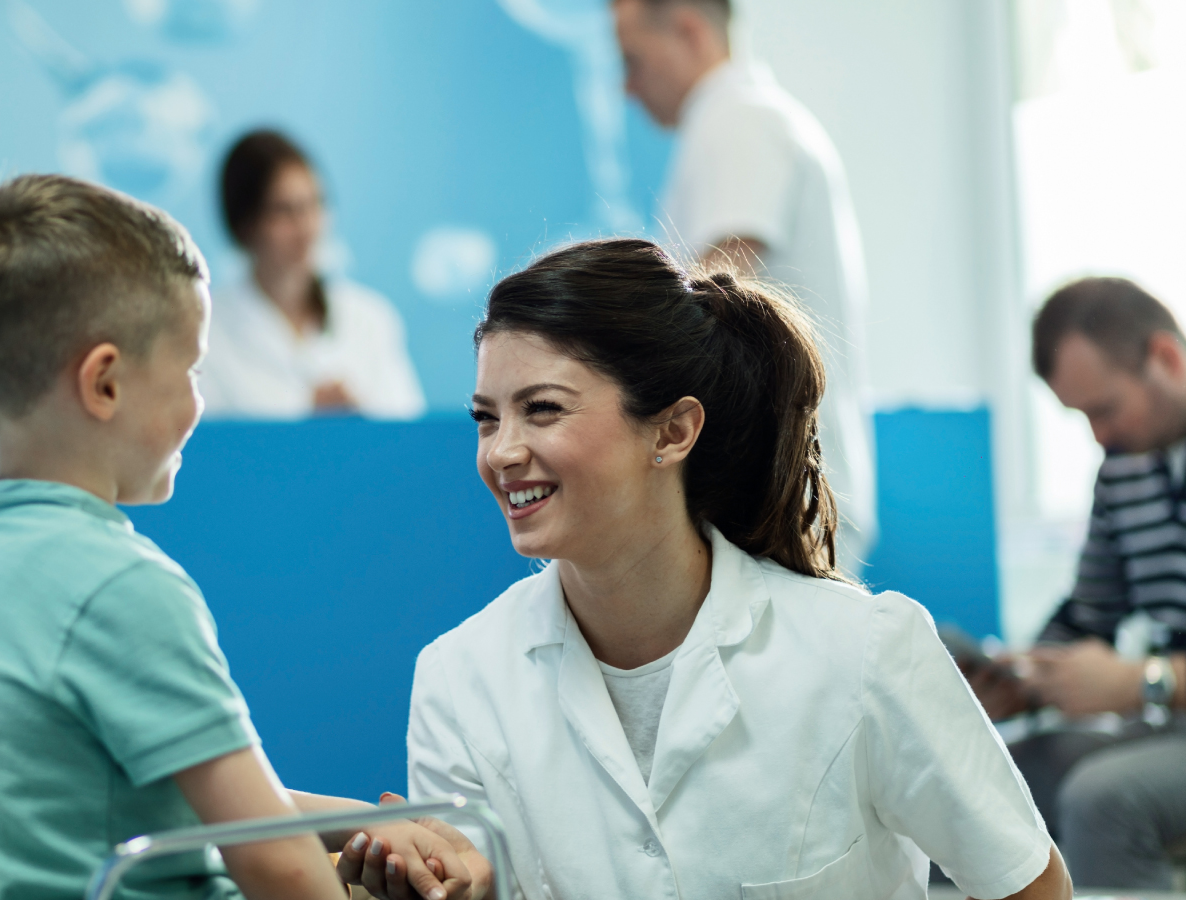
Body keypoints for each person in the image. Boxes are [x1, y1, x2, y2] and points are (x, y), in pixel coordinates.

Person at [406, 239, 1069, 899]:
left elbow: (1030, 887)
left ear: (672, 431)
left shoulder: (865, 651)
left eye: (542, 409)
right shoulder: (460, 682)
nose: (501, 452)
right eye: (486, 419)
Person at [0, 174, 486, 900]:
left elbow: (189, 800)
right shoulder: (120, 585)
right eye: (190, 369)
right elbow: (274, 868)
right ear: (106, 384)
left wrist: (359, 825)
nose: (198, 402)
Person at [613, 0, 877, 568]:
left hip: (771, 487)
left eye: (631, 59)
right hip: (775, 481)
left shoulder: (737, 119)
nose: (627, 88)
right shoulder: (745, 118)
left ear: (687, 27)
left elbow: (714, 295)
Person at [973, 277, 1186, 889]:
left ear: (1165, 358)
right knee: (990, 776)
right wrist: (1027, 676)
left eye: (1105, 409)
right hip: (1168, 720)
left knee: (1105, 800)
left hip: (1164, 705)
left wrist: (1142, 681)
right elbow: (1092, 611)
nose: (1098, 436)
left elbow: (1136, 679)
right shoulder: (1123, 471)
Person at [200, 130, 425, 420]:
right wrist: (307, 425)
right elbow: (211, 450)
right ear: (245, 224)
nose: (306, 228)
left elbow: (408, 435)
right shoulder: (206, 335)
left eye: (314, 205)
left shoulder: (370, 318)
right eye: (284, 211)